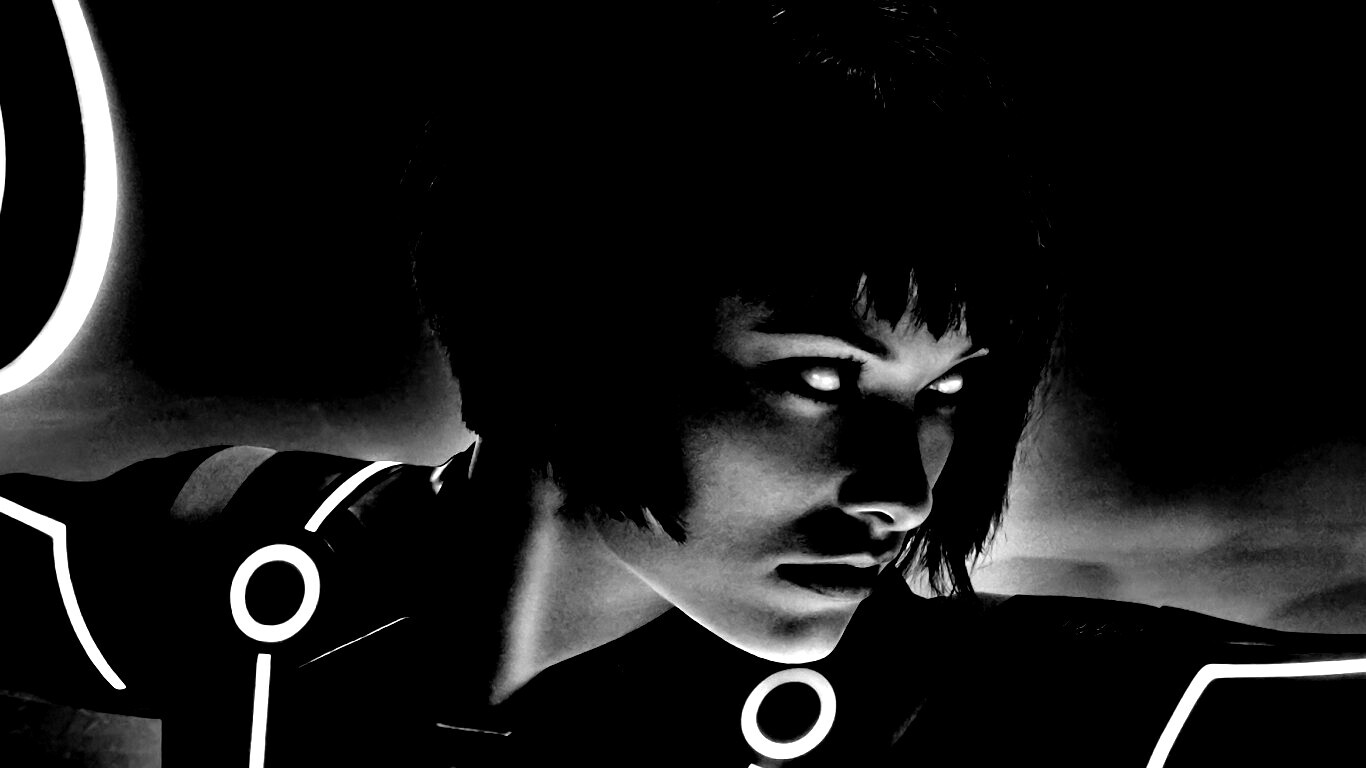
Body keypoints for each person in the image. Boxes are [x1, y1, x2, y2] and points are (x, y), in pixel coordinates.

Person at [5, 3, 1358, 767]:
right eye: (817, 377)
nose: (902, 492)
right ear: (559, 333)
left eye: (949, 393)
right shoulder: (269, 566)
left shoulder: (992, 715)